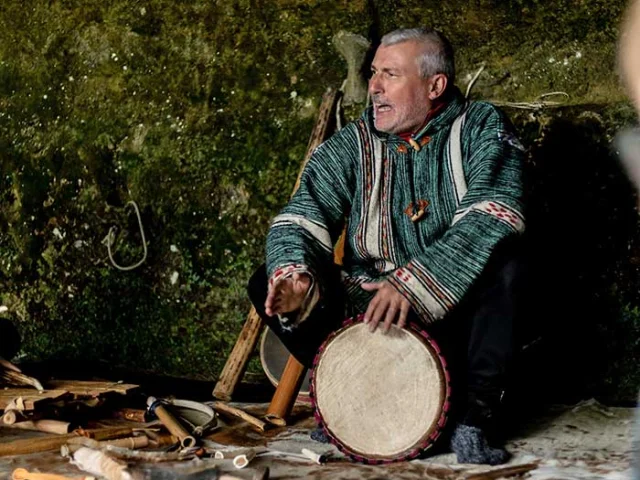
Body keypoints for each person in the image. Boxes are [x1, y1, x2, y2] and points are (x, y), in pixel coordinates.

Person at [248, 27, 526, 465]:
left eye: (390, 74)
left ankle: (474, 419)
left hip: (451, 317)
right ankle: (349, 400)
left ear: (435, 86)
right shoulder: (354, 144)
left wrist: (412, 284)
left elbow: (494, 209)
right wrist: (296, 275)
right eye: (374, 72)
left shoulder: (480, 126)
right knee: (270, 279)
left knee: (506, 260)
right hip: (370, 312)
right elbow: (301, 214)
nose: (374, 86)